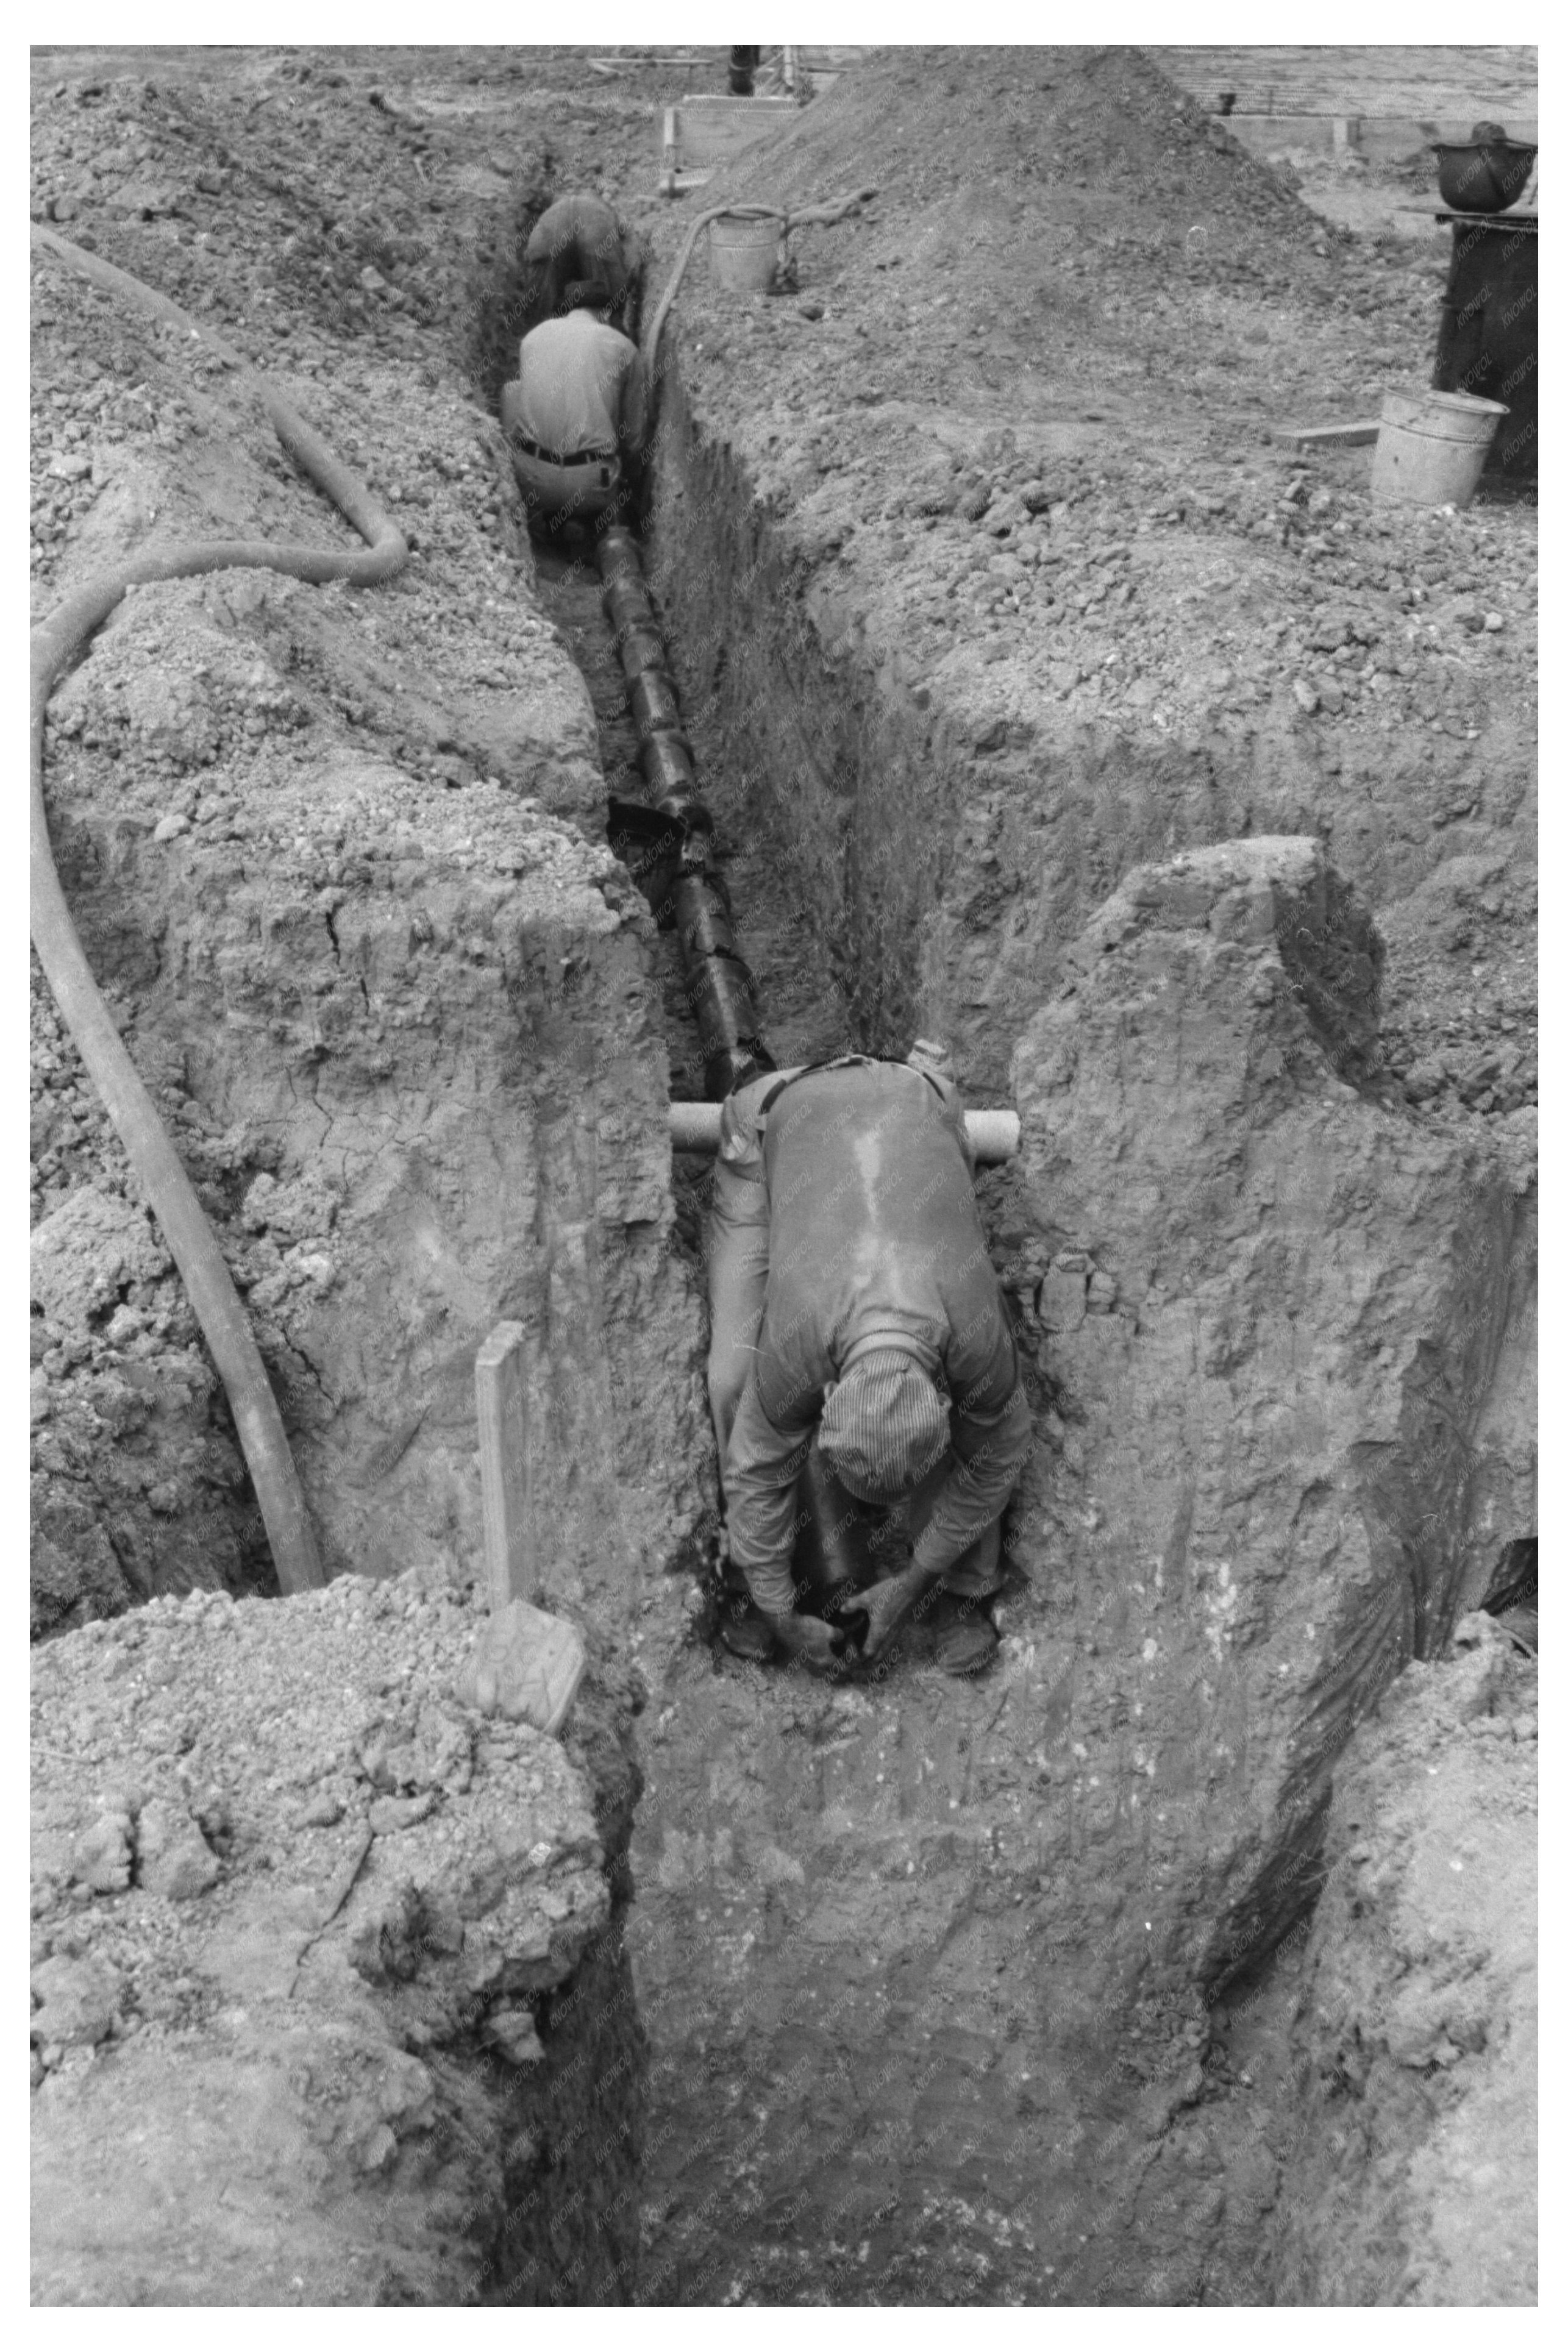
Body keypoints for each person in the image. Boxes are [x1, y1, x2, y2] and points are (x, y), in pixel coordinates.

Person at [705, 1046, 1032, 1676]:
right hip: (773, 1122)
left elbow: (997, 1454)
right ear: (824, 1397)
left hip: (913, 1104)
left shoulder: (975, 1334)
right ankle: (748, 1575)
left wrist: (912, 1582)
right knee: (731, 1380)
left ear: (940, 1398)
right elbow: (758, 1465)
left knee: (984, 1426)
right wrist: (779, 1610)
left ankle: (961, 1588)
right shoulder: (797, 1343)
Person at [499, 280, 650, 535]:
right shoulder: (623, 347)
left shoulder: (532, 339)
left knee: (512, 390)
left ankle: (547, 525)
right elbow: (634, 440)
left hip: (531, 482)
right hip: (591, 486)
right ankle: (597, 533)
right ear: (606, 313)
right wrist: (635, 486)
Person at [521, 191, 637, 338]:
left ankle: (543, 344)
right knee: (608, 309)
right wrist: (627, 286)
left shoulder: (551, 211)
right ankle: (612, 343)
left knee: (543, 314)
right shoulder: (605, 209)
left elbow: (531, 256)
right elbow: (632, 259)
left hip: (550, 234)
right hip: (596, 231)